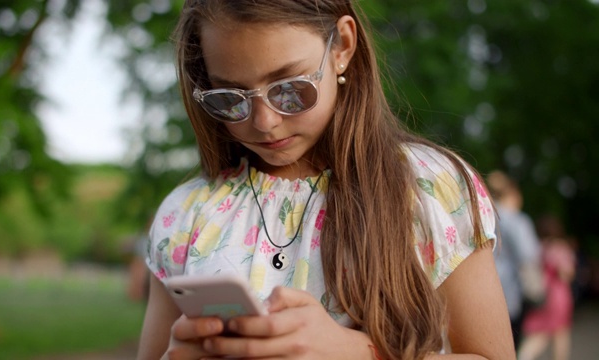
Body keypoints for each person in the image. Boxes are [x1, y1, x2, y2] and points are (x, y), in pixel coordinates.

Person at [137, 1, 514, 359]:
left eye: (289, 88)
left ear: (343, 47)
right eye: (230, 98)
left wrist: (356, 353)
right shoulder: (185, 215)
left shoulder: (429, 188)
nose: (264, 121)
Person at [486, 170, 545, 350]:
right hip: (511, 292)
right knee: (511, 346)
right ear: (513, 193)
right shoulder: (518, 220)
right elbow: (528, 256)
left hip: (483, 289)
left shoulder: (484, 216)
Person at [518, 216, 577, 360]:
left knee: (542, 331)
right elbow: (567, 274)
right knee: (560, 332)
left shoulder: (538, 247)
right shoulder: (561, 248)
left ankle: (524, 355)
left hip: (541, 294)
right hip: (559, 296)